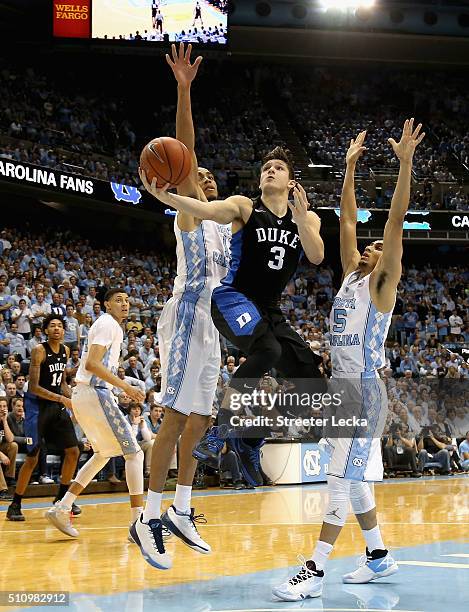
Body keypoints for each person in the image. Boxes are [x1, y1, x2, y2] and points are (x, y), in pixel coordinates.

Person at [272, 120, 425, 601]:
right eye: (371, 244)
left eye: (380, 248)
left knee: (339, 479)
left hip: (362, 393)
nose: (372, 248)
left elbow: (395, 220)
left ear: (388, 263)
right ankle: (378, 555)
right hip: (341, 391)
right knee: (355, 481)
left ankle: (315, 571)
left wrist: (404, 165)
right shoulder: (351, 278)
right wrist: (350, 167)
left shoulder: (382, 287)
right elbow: (344, 220)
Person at [131, 44, 229, 570]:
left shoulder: (225, 227)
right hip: (187, 315)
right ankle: (146, 516)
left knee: (202, 416)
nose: (204, 180)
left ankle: (183, 507)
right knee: (175, 414)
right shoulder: (189, 215)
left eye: (210, 179)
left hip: (211, 325)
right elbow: (185, 150)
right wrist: (185, 90)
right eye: (197, 178)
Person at [45, 289, 146, 539]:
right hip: (94, 393)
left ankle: (63, 506)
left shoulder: (109, 326)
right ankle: (138, 524)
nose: (124, 303)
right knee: (135, 454)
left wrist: (117, 388)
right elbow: (92, 364)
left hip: (87, 394)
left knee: (102, 454)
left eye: (126, 300)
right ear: (106, 305)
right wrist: (125, 387)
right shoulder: (108, 323)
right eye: (118, 300)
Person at [6, 315, 80, 521]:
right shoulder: (40, 350)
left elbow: (62, 382)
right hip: (37, 407)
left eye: (60, 326)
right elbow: (35, 387)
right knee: (33, 457)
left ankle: (62, 499)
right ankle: (15, 504)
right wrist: (61, 398)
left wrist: (73, 398)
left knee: (73, 451)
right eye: (52, 326)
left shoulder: (65, 351)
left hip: (55, 406)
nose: (57, 329)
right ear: (46, 330)